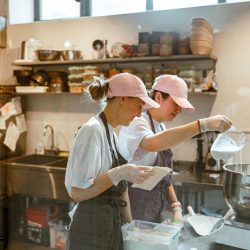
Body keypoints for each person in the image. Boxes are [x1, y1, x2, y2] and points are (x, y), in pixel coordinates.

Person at [118, 74, 232, 225]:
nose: (179, 109)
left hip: (152, 209)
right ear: (158, 97)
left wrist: (176, 205)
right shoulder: (137, 123)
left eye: (181, 106)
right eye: (176, 103)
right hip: (131, 208)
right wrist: (202, 125)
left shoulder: (162, 127)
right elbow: (152, 143)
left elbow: (164, 175)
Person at [65, 72, 160, 250]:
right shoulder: (92, 131)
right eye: (139, 106)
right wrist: (120, 172)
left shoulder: (110, 133)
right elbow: (77, 192)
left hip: (108, 226)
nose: (140, 115)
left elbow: (119, 189)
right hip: (90, 231)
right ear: (123, 98)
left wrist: (131, 228)